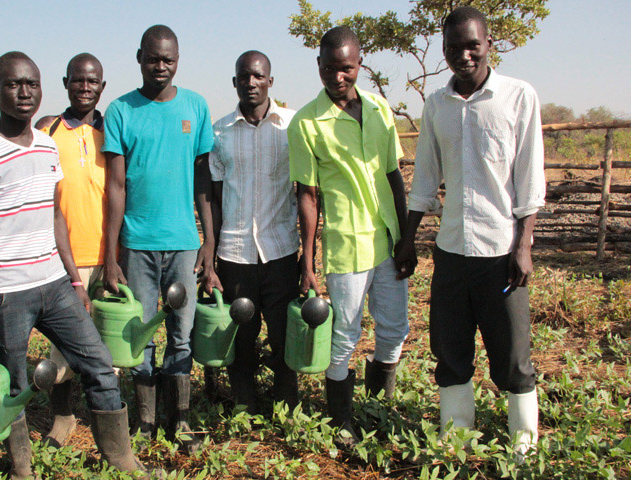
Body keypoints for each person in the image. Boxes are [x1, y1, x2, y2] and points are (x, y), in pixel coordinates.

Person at [0, 52, 144, 478]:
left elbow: (56, 215)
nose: (24, 93)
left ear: (42, 89)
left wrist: (74, 279)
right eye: (13, 84)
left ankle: (121, 459)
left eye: (31, 84)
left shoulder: (46, 144)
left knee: (98, 363)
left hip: (55, 283)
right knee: (16, 387)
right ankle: (22, 468)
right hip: (4, 293)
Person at [393, 6, 545, 462]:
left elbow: (529, 178)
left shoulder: (518, 97)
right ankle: (456, 439)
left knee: (513, 353)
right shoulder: (437, 104)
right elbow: (424, 180)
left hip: (501, 252)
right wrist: (409, 239)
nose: (463, 54)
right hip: (452, 252)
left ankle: (524, 443)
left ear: (489, 44)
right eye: (454, 47)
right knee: (450, 348)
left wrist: (524, 245)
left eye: (472, 45)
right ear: (443, 51)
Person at [288, 26, 410, 446]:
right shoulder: (307, 122)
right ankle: (342, 418)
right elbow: (308, 194)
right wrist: (308, 259)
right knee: (345, 336)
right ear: (318, 67)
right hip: (346, 245)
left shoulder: (379, 109)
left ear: (360, 64)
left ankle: (379, 407)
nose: (338, 78)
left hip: (388, 240)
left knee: (395, 329)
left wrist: (406, 235)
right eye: (329, 69)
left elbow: (394, 175)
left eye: (347, 69)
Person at [102, 25, 219, 454]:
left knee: (181, 333)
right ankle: (147, 422)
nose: (161, 66)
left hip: (184, 242)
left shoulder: (195, 107)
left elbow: (203, 181)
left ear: (178, 60)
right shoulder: (121, 111)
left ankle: (181, 420)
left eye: (168, 59)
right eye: (153, 59)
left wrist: (209, 243)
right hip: (136, 244)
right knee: (141, 335)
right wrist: (111, 253)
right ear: (139, 58)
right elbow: (114, 187)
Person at [207, 51, 300, 413]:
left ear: (270, 81)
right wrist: (211, 253)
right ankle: (244, 402)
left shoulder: (291, 127)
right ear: (234, 82)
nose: (251, 83)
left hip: (280, 249)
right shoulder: (220, 132)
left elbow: (307, 190)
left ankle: (286, 403)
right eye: (244, 76)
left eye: (258, 76)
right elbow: (215, 196)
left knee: (282, 333)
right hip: (235, 251)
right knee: (242, 334)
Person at [33, 53, 108, 449]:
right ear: (66, 83)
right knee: (63, 345)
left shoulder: (111, 129)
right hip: (65, 256)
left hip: (108, 255)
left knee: (107, 343)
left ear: (102, 87)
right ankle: (62, 418)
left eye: (92, 82)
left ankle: (104, 418)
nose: (84, 88)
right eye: (78, 81)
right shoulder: (49, 130)